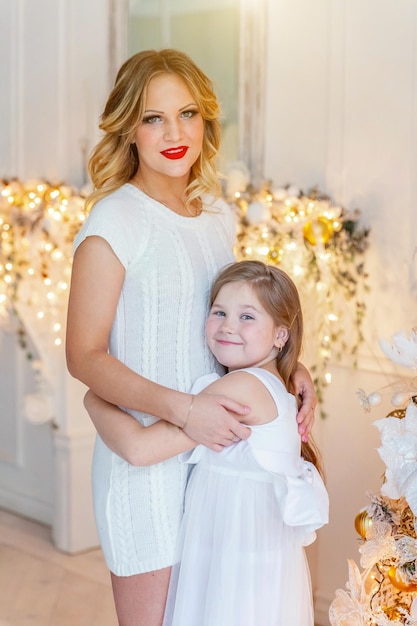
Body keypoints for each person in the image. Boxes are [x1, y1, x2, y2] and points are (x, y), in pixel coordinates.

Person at [65, 48, 317, 626]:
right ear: (129, 128)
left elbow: (237, 320)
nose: (174, 133)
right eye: (153, 118)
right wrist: (186, 412)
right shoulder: (114, 221)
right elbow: (84, 355)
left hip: (219, 463)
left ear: (206, 120)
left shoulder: (216, 217)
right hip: (148, 465)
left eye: (188, 114)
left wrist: (288, 367)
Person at [85, 260, 329, 626]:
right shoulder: (271, 381)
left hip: (233, 559)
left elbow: (139, 449)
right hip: (250, 556)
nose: (228, 326)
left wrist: (93, 396)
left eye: (247, 317)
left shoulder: (242, 389)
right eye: (219, 312)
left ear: (281, 335)